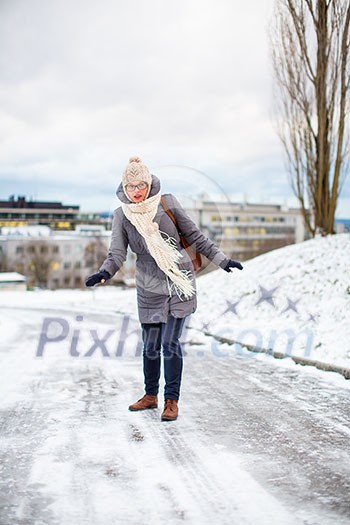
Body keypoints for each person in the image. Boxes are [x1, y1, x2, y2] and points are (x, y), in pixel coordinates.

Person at [85, 156, 243, 421]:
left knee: (169, 344)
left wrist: (222, 260)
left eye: (141, 184)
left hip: (179, 282)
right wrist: (105, 272)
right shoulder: (122, 216)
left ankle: (171, 401)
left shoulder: (167, 203)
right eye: (131, 186)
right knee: (150, 346)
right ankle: (150, 396)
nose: (137, 191)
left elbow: (195, 236)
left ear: (149, 183)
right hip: (149, 287)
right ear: (124, 187)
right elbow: (116, 254)